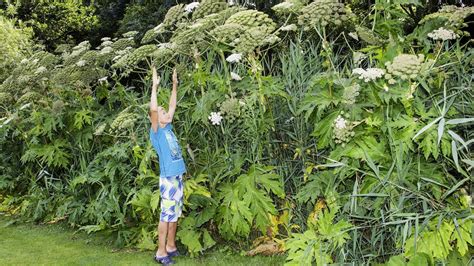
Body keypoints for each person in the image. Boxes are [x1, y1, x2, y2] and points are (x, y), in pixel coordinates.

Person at [149, 65, 186, 265]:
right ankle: (161, 252)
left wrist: (174, 85)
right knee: (166, 216)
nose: (165, 112)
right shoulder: (157, 132)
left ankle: (171, 246)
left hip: (178, 177)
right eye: (162, 112)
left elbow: (172, 106)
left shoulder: (168, 127)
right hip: (168, 180)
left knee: (175, 215)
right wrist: (154, 86)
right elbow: (154, 109)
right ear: (156, 119)